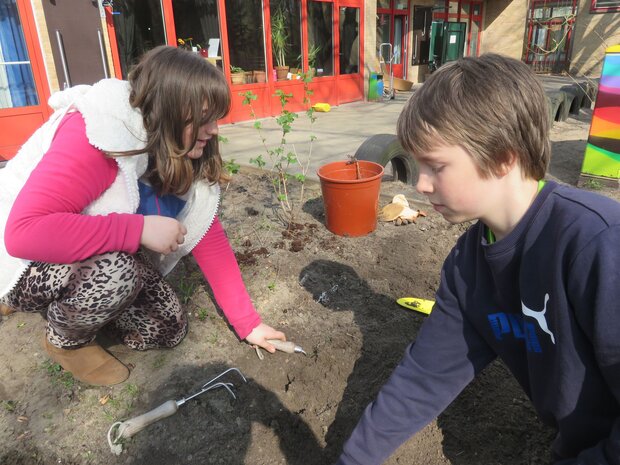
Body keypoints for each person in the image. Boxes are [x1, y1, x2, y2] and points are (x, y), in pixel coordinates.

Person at [336, 53, 620, 464]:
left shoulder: (598, 244)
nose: (421, 184)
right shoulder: (468, 266)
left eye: (437, 166)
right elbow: (424, 377)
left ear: (504, 157)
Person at [0, 46, 286, 387]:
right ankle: (66, 341)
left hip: (79, 249)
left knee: (168, 328)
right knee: (115, 272)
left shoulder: (175, 145)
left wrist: (248, 323)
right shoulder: (96, 138)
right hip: (20, 258)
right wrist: (137, 229)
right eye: (204, 118)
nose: (214, 131)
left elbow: (207, 232)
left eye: (216, 118)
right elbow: (23, 234)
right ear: (169, 110)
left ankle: (72, 303)